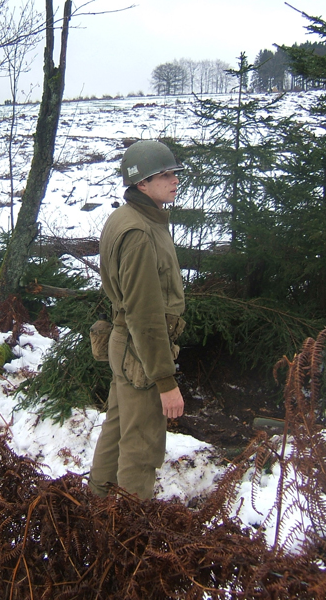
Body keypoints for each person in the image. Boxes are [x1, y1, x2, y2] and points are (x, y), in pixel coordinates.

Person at [88, 140, 186, 500]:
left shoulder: (129, 217)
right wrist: (165, 380)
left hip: (126, 346)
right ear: (141, 184)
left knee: (117, 428)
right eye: (165, 174)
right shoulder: (140, 232)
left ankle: (96, 511)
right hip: (140, 352)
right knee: (141, 446)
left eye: (174, 172)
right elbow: (145, 315)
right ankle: (128, 533)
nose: (174, 180)